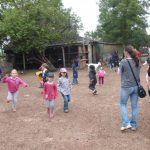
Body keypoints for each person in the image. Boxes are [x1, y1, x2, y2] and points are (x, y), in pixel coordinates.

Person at [118, 45, 140, 131]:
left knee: (122, 104)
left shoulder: (123, 61)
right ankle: (133, 125)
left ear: (126, 52)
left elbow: (119, 73)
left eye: (124, 51)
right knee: (134, 106)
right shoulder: (137, 60)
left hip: (126, 87)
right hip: (136, 86)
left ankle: (126, 123)